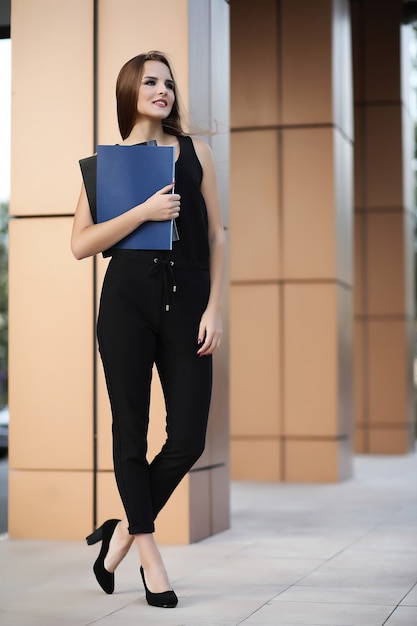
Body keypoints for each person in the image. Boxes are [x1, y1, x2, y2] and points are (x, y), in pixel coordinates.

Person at [71, 51, 225, 608]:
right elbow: (81, 244)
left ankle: (119, 534)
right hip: (126, 305)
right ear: (130, 90)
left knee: (188, 438)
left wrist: (214, 309)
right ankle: (150, 557)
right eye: (151, 81)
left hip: (188, 306)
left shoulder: (196, 152)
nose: (163, 90)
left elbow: (217, 238)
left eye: (168, 83)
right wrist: (142, 212)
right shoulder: (108, 164)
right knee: (129, 431)